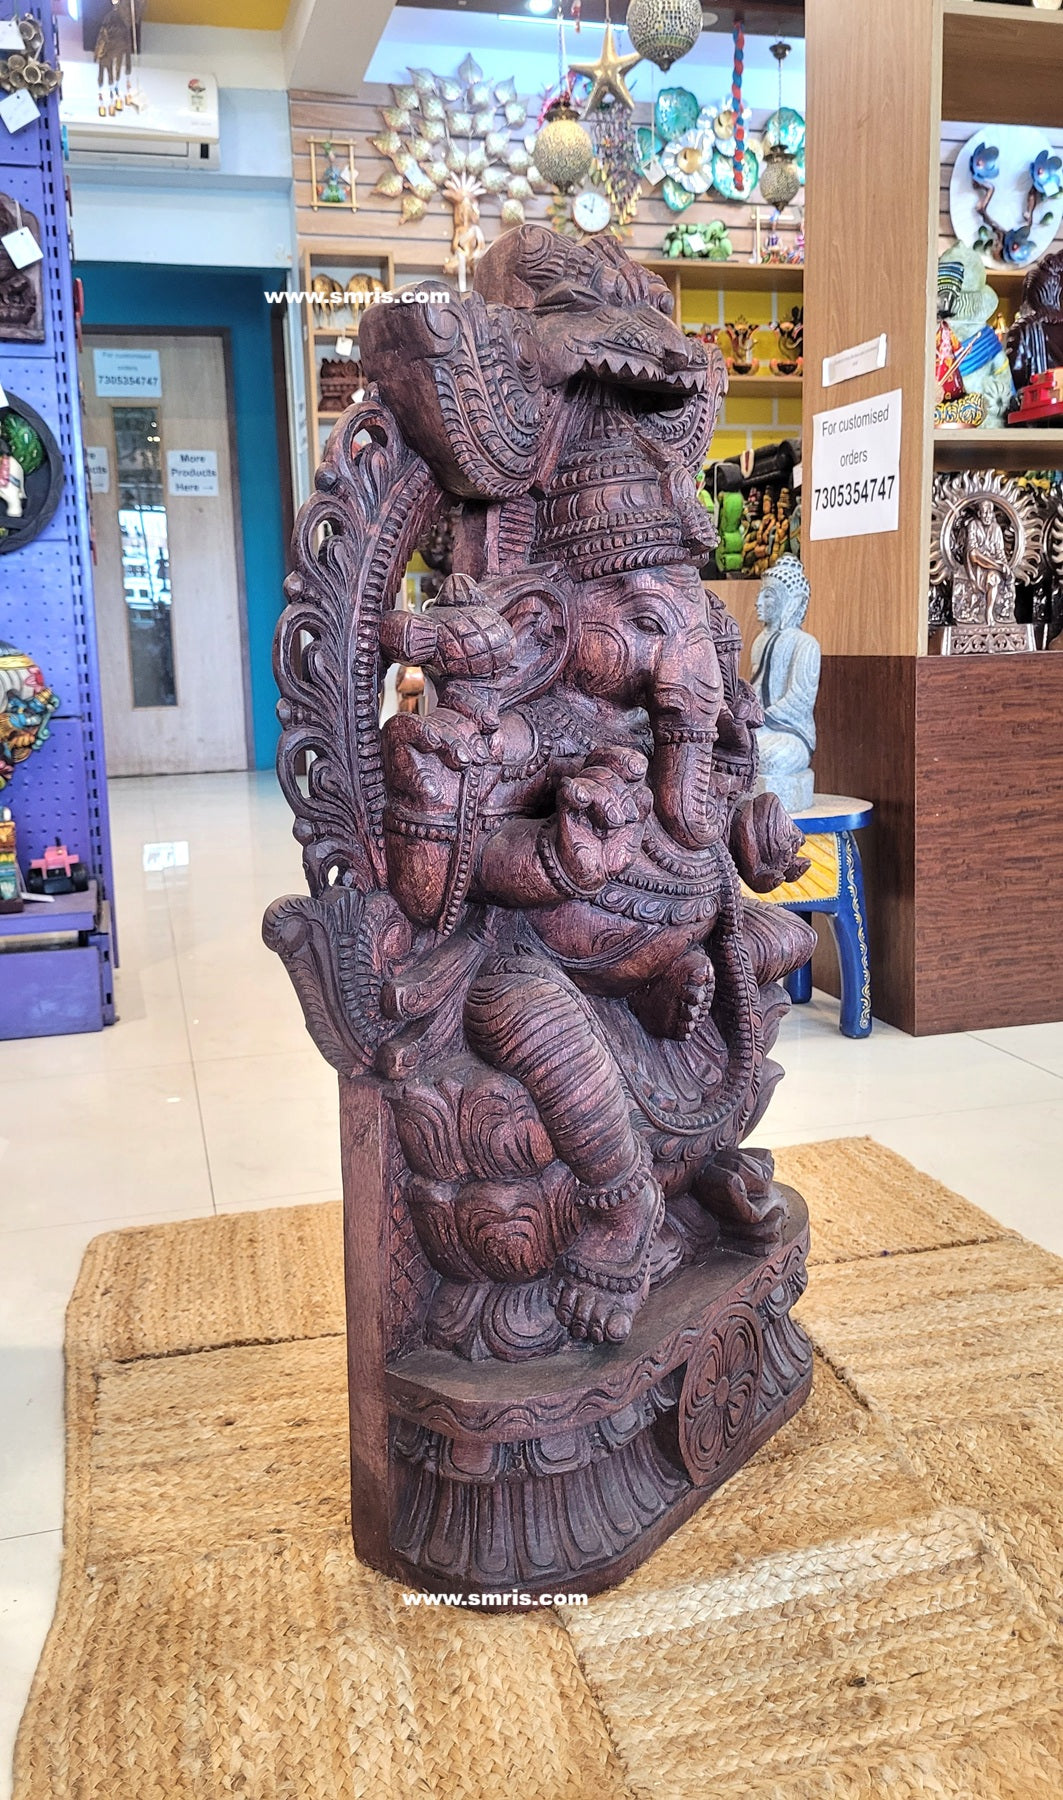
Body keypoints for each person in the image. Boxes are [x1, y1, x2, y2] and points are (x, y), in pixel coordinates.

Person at [749, 553, 820, 812]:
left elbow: (800, 700)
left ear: (792, 601)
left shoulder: (806, 644)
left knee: (770, 758)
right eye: (761, 594)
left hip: (789, 732)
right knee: (732, 747)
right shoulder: (760, 641)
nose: (759, 602)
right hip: (760, 727)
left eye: (768, 595)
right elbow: (755, 688)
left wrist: (762, 718)